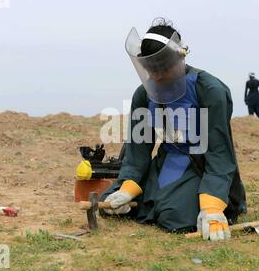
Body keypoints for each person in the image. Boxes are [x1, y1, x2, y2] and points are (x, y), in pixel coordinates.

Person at [99, 18, 246, 241]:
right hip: (166, 162)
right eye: (151, 70)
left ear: (180, 57)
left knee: (173, 217)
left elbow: (219, 152)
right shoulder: (144, 94)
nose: (157, 77)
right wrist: (128, 187)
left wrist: (212, 206)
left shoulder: (210, 90)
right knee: (109, 203)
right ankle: (151, 198)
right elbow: (138, 150)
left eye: (163, 69)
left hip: (201, 165)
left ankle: (214, 205)